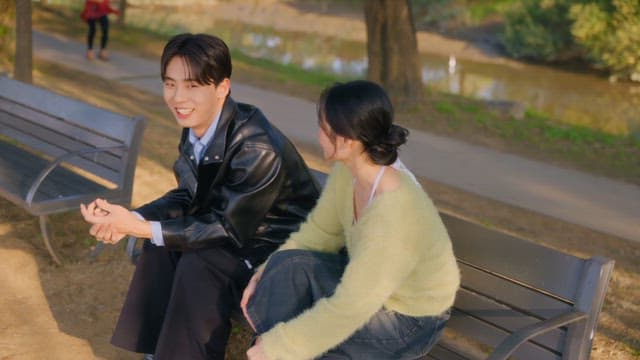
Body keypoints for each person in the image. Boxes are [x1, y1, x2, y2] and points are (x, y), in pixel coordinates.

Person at [80, 33, 320, 359]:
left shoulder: (256, 146)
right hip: (237, 233)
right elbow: (187, 196)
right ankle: (158, 351)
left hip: (278, 250)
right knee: (161, 245)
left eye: (192, 86)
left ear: (222, 88)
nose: (178, 97)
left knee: (200, 263)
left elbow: (226, 229)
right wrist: (132, 218)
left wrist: (139, 227)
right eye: (170, 84)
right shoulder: (197, 124)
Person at [241, 80, 461, 360]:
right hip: (370, 291)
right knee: (289, 266)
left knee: (307, 347)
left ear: (345, 140)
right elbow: (318, 233)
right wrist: (264, 272)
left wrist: (280, 346)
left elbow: (352, 307)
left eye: (322, 128)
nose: (318, 135)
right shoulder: (351, 171)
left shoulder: (393, 210)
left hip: (409, 319)